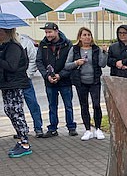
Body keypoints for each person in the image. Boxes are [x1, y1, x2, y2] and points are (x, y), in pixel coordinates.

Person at [65, 27, 108, 141]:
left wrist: (104, 52)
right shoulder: (74, 49)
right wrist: (76, 62)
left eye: (89, 35)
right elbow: (67, 65)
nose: (87, 37)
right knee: (84, 106)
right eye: (84, 35)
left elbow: (102, 64)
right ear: (80, 37)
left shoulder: (95, 49)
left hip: (94, 81)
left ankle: (98, 129)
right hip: (80, 81)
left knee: (96, 105)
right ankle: (88, 129)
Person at [35, 22, 77, 137]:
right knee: (52, 106)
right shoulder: (43, 44)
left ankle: (71, 127)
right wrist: (47, 75)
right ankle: (52, 128)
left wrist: (60, 75)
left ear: (57, 31)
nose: (48, 35)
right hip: (49, 81)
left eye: (50, 32)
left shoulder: (67, 44)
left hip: (65, 80)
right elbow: (39, 61)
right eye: (46, 32)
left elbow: (71, 63)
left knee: (68, 105)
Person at [0, 24, 32, 158]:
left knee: (16, 112)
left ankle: (25, 143)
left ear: (6, 32)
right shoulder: (5, 46)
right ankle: (20, 138)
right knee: (9, 111)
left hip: (15, 84)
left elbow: (11, 66)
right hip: (7, 84)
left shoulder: (13, 47)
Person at [18, 34, 44, 138]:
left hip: (25, 79)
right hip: (11, 81)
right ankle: (21, 129)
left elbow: (33, 59)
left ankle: (38, 128)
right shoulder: (4, 43)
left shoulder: (25, 42)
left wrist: (28, 74)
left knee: (32, 104)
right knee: (16, 108)